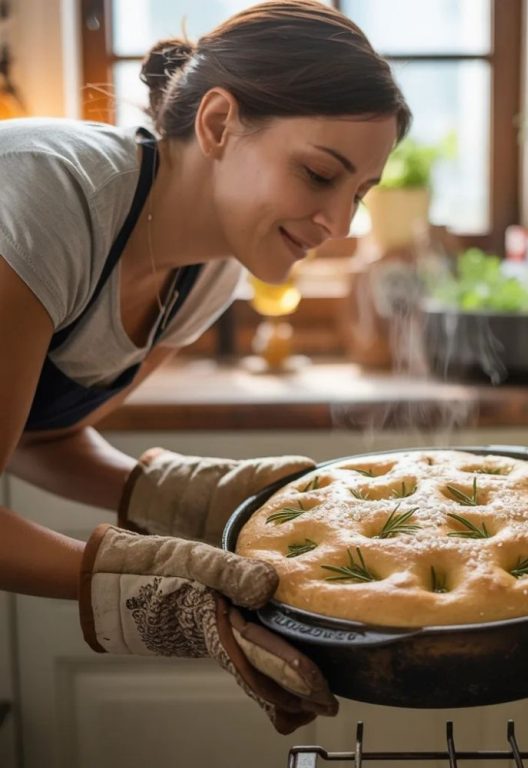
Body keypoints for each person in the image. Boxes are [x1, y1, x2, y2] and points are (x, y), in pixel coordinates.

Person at [0, 0, 411, 735]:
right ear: (218, 124)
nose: (340, 225)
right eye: (320, 174)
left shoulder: (210, 275)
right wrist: (160, 590)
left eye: (359, 194)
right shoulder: (48, 200)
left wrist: (180, 494)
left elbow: (37, 436)